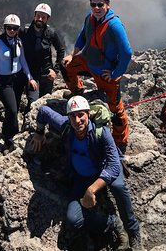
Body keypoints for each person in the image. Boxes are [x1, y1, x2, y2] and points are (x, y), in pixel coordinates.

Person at [31, 96, 142, 250]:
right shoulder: (66, 126)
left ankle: (133, 230)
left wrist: (92, 189)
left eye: (81, 114)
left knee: (118, 187)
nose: (77, 120)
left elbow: (114, 166)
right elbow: (43, 111)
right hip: (82, 176)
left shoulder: (101, 132)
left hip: (104, 170)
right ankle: (112, 222)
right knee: (73, 220)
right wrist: (39, 132)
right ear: (68, 117)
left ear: (88, 114)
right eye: (73, 116)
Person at [62, 0, 132, 151]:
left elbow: (127, 53)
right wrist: (73, 56)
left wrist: (115, 74)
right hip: (88, 62)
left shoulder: (114, 25)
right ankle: (78, 93)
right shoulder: (90, 18)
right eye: (93, 4)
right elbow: (82, 37)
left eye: (100, 4)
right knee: (66, 67)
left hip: (104, 72)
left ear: (108, 4)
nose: (97, 8)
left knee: (116, 109)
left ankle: (120, 142)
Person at [0, 14, 38, 150]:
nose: (11, 31)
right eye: (9, 28)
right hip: (3, 81)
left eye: (14, 28)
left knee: (12, 109)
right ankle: (11, 137)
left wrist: (30, 77)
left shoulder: (19, 42)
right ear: (5, 28)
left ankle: (6, 132)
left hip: (17, 79)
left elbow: (22, 60)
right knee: (12, 109)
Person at [19, 3, 66, 107]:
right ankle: (29, 122)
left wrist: (56, 70)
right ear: (34, 16)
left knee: (46, 103)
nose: (40, 19)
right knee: (33, 102)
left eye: (43, 17)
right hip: (31, 74)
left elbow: (61, 49)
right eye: (38, 16)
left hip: (47, 74)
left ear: (47, 19)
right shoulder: (24, 31)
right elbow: (11, 40)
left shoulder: (51, 33)